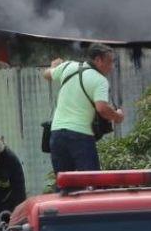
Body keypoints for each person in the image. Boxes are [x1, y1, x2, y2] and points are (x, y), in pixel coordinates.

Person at [42, 43, 125, 174]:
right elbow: (102, 108)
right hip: (80, 136)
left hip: (57, 134)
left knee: (64, 181)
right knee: (91, 181)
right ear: (98, 60)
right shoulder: (100, 81)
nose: (112, 67)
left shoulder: (68, 66)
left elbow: (46, 75)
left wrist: (53, 67)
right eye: (109, 62)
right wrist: (118, 116)